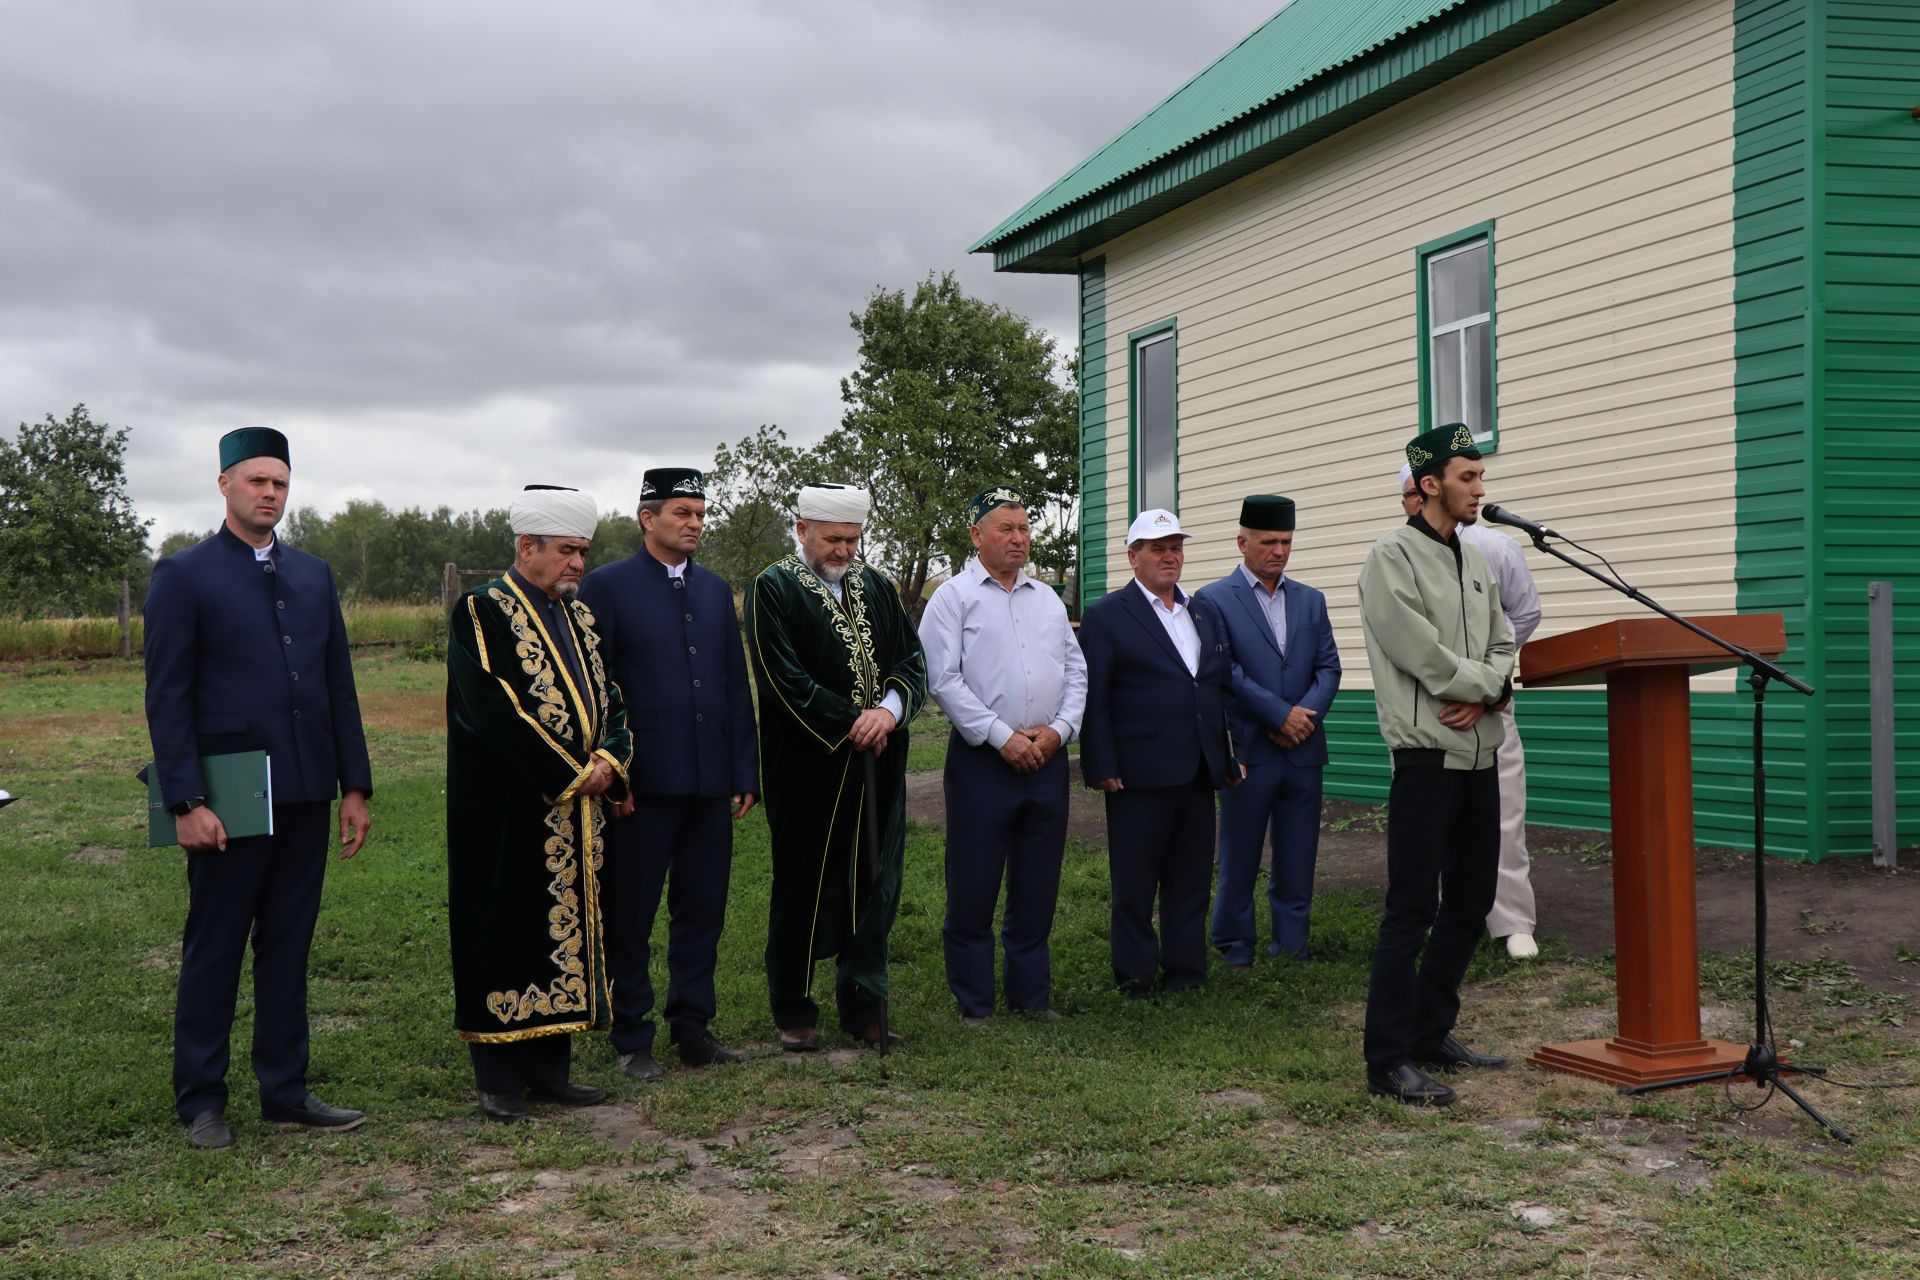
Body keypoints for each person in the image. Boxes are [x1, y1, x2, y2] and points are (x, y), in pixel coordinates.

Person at [142, 426, 373, 1150]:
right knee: (215, 947)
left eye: (279, 482)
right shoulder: (185, 574)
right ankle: (202, 1101)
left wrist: (355, 786)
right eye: (256, 481)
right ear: (225, 486)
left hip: (305, 788)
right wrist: (185, 800)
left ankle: (286, 1090)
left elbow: (339, 684)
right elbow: (168, 695)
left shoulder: (313, 573)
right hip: (229, 796)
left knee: (288, 945)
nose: (270, 493)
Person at [445, 485, 633, 1122]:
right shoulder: (482, 610)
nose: (578, 564)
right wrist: (573, 774)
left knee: (566, 932)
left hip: (576, 809)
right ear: (528, 547)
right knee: (505, 926)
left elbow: (612, 697)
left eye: (584, 551)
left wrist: (611, 759)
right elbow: (493, 709)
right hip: (505, 808)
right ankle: (498, 1078)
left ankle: (552, 1071)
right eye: (567, 551)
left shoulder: (579, 618)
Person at [578, 467, 758, 1079]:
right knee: (631, 911)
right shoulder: (606, 586)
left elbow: (735, 685)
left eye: (701, 514)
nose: (694, 524)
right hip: (642, 787)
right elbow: (593, 690)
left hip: (709, 783)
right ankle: (632, 1035)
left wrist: (742, 770)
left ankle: (693, 1027)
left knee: (702, 909)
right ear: (647, 517)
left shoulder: (713, 590)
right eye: (682, 512)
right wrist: (615, 772)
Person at [1358, 425, 1516, 1106]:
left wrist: (1493, 689)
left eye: (1481, 478)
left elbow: (1506, 641)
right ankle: (1386, 1058)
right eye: (1467, 478)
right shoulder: (1389, 559)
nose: (1480, 489)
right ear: (1430, 485)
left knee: (1474, 898)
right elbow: (1422, 656)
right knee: (1412, 908)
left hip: (1481, 752)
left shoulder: (1474, 560)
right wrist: (1483, 685)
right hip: (1427, 758)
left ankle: (1431, 1030)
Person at [744, 484, 927, 1051]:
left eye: (852, 539)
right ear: (803, 530)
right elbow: (782, 679)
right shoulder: (773, 588)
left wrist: (889, 712)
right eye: (833, 539)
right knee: (805, 880)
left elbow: (911, 659)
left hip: (879, 757)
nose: (844, 550)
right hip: (807, 763)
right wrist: (852, 719)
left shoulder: (875, 585)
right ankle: (794, 1009)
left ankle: (864, 1005)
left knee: (871, 878)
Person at [918, 487, 1087, 1023]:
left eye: (1023, 529)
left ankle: (1030, 997)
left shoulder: (1047, 599)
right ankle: (974, 1003)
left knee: (1038, 881)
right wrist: (1001, 737)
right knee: (974, 880)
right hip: (983, 762)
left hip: (1046, 758)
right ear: (976, 536)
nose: (1019, 539)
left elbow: (1076, 671)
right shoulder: (954, 598)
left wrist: (1060, 730)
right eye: (1005, 529)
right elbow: (942, 679)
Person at [1078, 509, 1238, 998]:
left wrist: (1227, 755)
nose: (1170, 557)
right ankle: (1135, 976)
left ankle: (1186, 972)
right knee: (1135, 882)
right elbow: (1094, 696)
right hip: (1138, 772)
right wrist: (1101, 763)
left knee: (1190, 878)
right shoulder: (1107, 615)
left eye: (1175, 547)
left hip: (1196, 768)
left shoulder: (1201, 611)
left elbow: (1217, 688)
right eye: (1157, 548)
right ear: (1134, 557)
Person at [1405, 463, 1544, 960]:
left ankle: (1510, 919)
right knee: (1434, 814)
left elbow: (1522, 614)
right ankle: (1442, 911)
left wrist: (1486, 686)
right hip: (1431, 707)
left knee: (1504, 810)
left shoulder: (1497, 548)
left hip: (1491, 702)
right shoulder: (1399, 556)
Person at [1194, 495, 1341, 966]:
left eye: (1286, 542)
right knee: (1239, 854)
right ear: (1242, 542)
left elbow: (1329, 669)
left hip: (1303, 751)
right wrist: (1279, 715)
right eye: (1268, 541)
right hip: (1250, 750)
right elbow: (1225, 671)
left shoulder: (1311, 601)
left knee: (1299, 856)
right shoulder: (1213, 600)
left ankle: (1291, 945)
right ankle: (1235, 945)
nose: (1278, 551)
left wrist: (1302, 718)